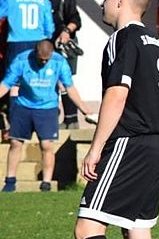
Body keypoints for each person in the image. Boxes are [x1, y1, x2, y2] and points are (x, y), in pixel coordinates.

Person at [73, 0, 159, 239]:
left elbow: (117, 93)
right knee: (137, 230)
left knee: (87, 228)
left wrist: (96, 148)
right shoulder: (157, 42)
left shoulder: (123, 38)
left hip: (130, 141)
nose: (102, 1)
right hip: (158, 144)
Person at [1, 40, 92, 192]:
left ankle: (46, 183)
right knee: (15, 142)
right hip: (23, 105)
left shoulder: (59, 62)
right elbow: (6, 84)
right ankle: (10, 181)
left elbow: (69, 87)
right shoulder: (22, 60)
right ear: (35, 53)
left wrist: (85, 110)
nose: (43, 62)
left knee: (47, 145)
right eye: (41, 59)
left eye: (46, 59)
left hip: (47, 107)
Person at [42, 0, 84, 128]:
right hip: (50, 45)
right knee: (54, 81)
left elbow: (75, 19)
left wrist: (66, 32)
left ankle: (71, 119)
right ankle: (64, 119)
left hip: (63, 46)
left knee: (64, 81)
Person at [0, 0, 54, 64]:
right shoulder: (45, 2)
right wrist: (45, 37)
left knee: (14, 72)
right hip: (37, 44)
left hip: (16, 43)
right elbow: (49, 28)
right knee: (34, 72)